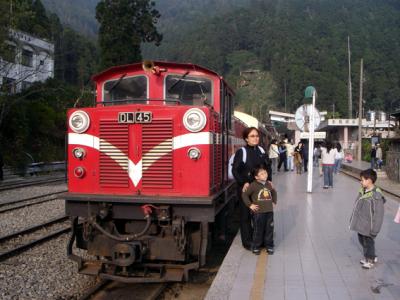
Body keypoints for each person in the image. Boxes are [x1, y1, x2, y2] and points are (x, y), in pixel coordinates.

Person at [232, 127, 272, 250]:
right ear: (246, 139)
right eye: (252, 136)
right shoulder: (242, 152)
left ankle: (261, 241)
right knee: (246, 216)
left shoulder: (261, 150)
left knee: (261, 215)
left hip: (260, 190)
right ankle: (248, 243)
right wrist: (243, 182)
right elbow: (235, 170)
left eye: (257, 136)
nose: (256, 138)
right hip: (246, 189)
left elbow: (267, 168)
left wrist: (269, 181)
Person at [349, 169, 385, 269]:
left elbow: (379, 215)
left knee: (368, 242)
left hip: (369, 226)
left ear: (369, 180)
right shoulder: (363, 191)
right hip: (361, 224)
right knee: (361, 240)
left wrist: (375, 230)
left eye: (362, 180)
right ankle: (369, 256)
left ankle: (370, 260)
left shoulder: (376, 196)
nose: (361, 182)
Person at [242, 165, 277, 255]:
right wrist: (250, 205)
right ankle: (256, 246)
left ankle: (269, 246)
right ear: (256, 177)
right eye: (261, 174)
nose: (265, 175)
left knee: (269, 229)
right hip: (258, 213)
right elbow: (245, 195)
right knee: (258, 229)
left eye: (265, 173)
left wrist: (274, 201)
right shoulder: (253, 186)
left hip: (269, 211)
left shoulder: (269, 184)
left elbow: (273, 192)